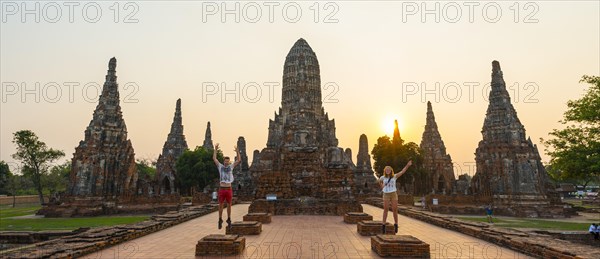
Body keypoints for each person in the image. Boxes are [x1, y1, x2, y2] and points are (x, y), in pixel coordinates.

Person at [378, 160, 413, 234]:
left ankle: (396, 224)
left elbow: (402, 172)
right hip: (386, 194)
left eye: (389, 170)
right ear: (385, 171)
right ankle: (383, 225)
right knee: (386, 209)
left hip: (393, 193)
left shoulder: (394, 176)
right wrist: (382, 186)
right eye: (386, 170)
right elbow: (379, 182)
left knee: (395, 209)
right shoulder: (382, 177)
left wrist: (407, 165)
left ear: (391, 171)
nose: (388, 171)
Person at [213, 143, 241, 230]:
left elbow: (239, 160)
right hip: (222, 189)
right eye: (225, 161)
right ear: (223, 161)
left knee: (229, 205)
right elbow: (214, 159)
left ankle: (229, 219)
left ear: (229, 162)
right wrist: (216, 149)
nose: (226, 162)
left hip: (228, 188)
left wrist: (237, 152)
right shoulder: (220, 167)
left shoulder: (231, 167)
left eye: (228, 161)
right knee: (220, 204)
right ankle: (220, 219)